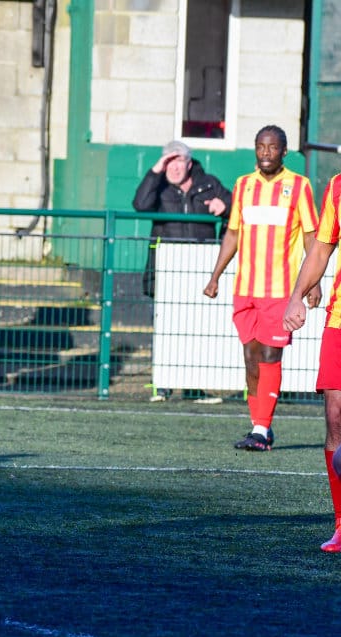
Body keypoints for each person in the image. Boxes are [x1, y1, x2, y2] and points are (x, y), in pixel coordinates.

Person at [204, 125, 320, 451]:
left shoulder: (299, 186)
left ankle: (260, 429)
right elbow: (233, 233)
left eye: (272, 147)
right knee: (251, 358)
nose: (266, 153)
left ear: (284, 151)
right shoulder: (243, 185)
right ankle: (260, 427)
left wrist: (314, 282)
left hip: (281, 291)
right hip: (246, 289)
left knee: (270, 355)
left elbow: (311, 236)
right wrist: (215, 276)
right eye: (260, 147)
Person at [133, 139, 233, 403]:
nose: (174, 167)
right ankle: (163, 385)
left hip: (200, 269)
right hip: (167, 271)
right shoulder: (158, 186)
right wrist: (155, 170)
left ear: (189, 163)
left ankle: (195, 386)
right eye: (169, 162)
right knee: (166, 328)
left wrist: (226, 208)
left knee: (198, 329)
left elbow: (235, 206)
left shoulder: (209, 183)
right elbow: (140, 204)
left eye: (178, 161)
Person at [283, 171, 341, 552]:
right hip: (340, 321)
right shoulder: (337, 187)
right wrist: (296, 296)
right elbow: (320, 249)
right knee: (335, 418)